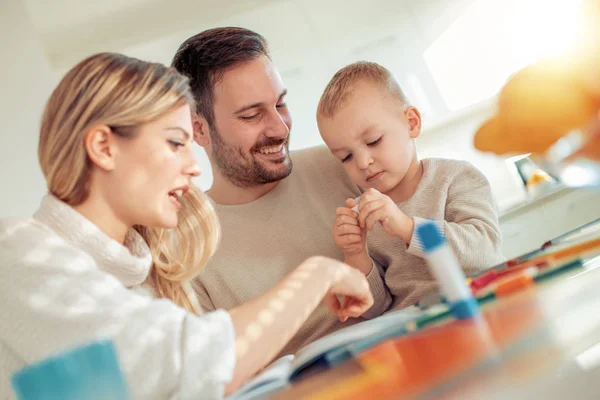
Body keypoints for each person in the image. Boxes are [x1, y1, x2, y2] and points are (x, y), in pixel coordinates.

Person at [0, 53, 374, 400]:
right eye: (175, 143)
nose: (194, 167)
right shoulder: (15, 253)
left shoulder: (141, 281)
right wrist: (317, 275)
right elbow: (192, 364)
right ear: (103, 147)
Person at [172, 28, 393, 357]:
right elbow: (212, 371)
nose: (280, 127)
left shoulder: (347, 164)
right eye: (251, 114)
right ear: (198, 128)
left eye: (280, 103)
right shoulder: (182, 246)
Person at [316, 61, 505, 309]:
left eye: (373, 141)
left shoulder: (456, 177)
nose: (362, 162)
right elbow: (375, 308)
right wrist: (355, 254)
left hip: (487, 307)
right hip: (417, 331)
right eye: (346, 157)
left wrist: (407, 227)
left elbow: (485, 252)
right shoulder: (365, 217)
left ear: (412, 123)